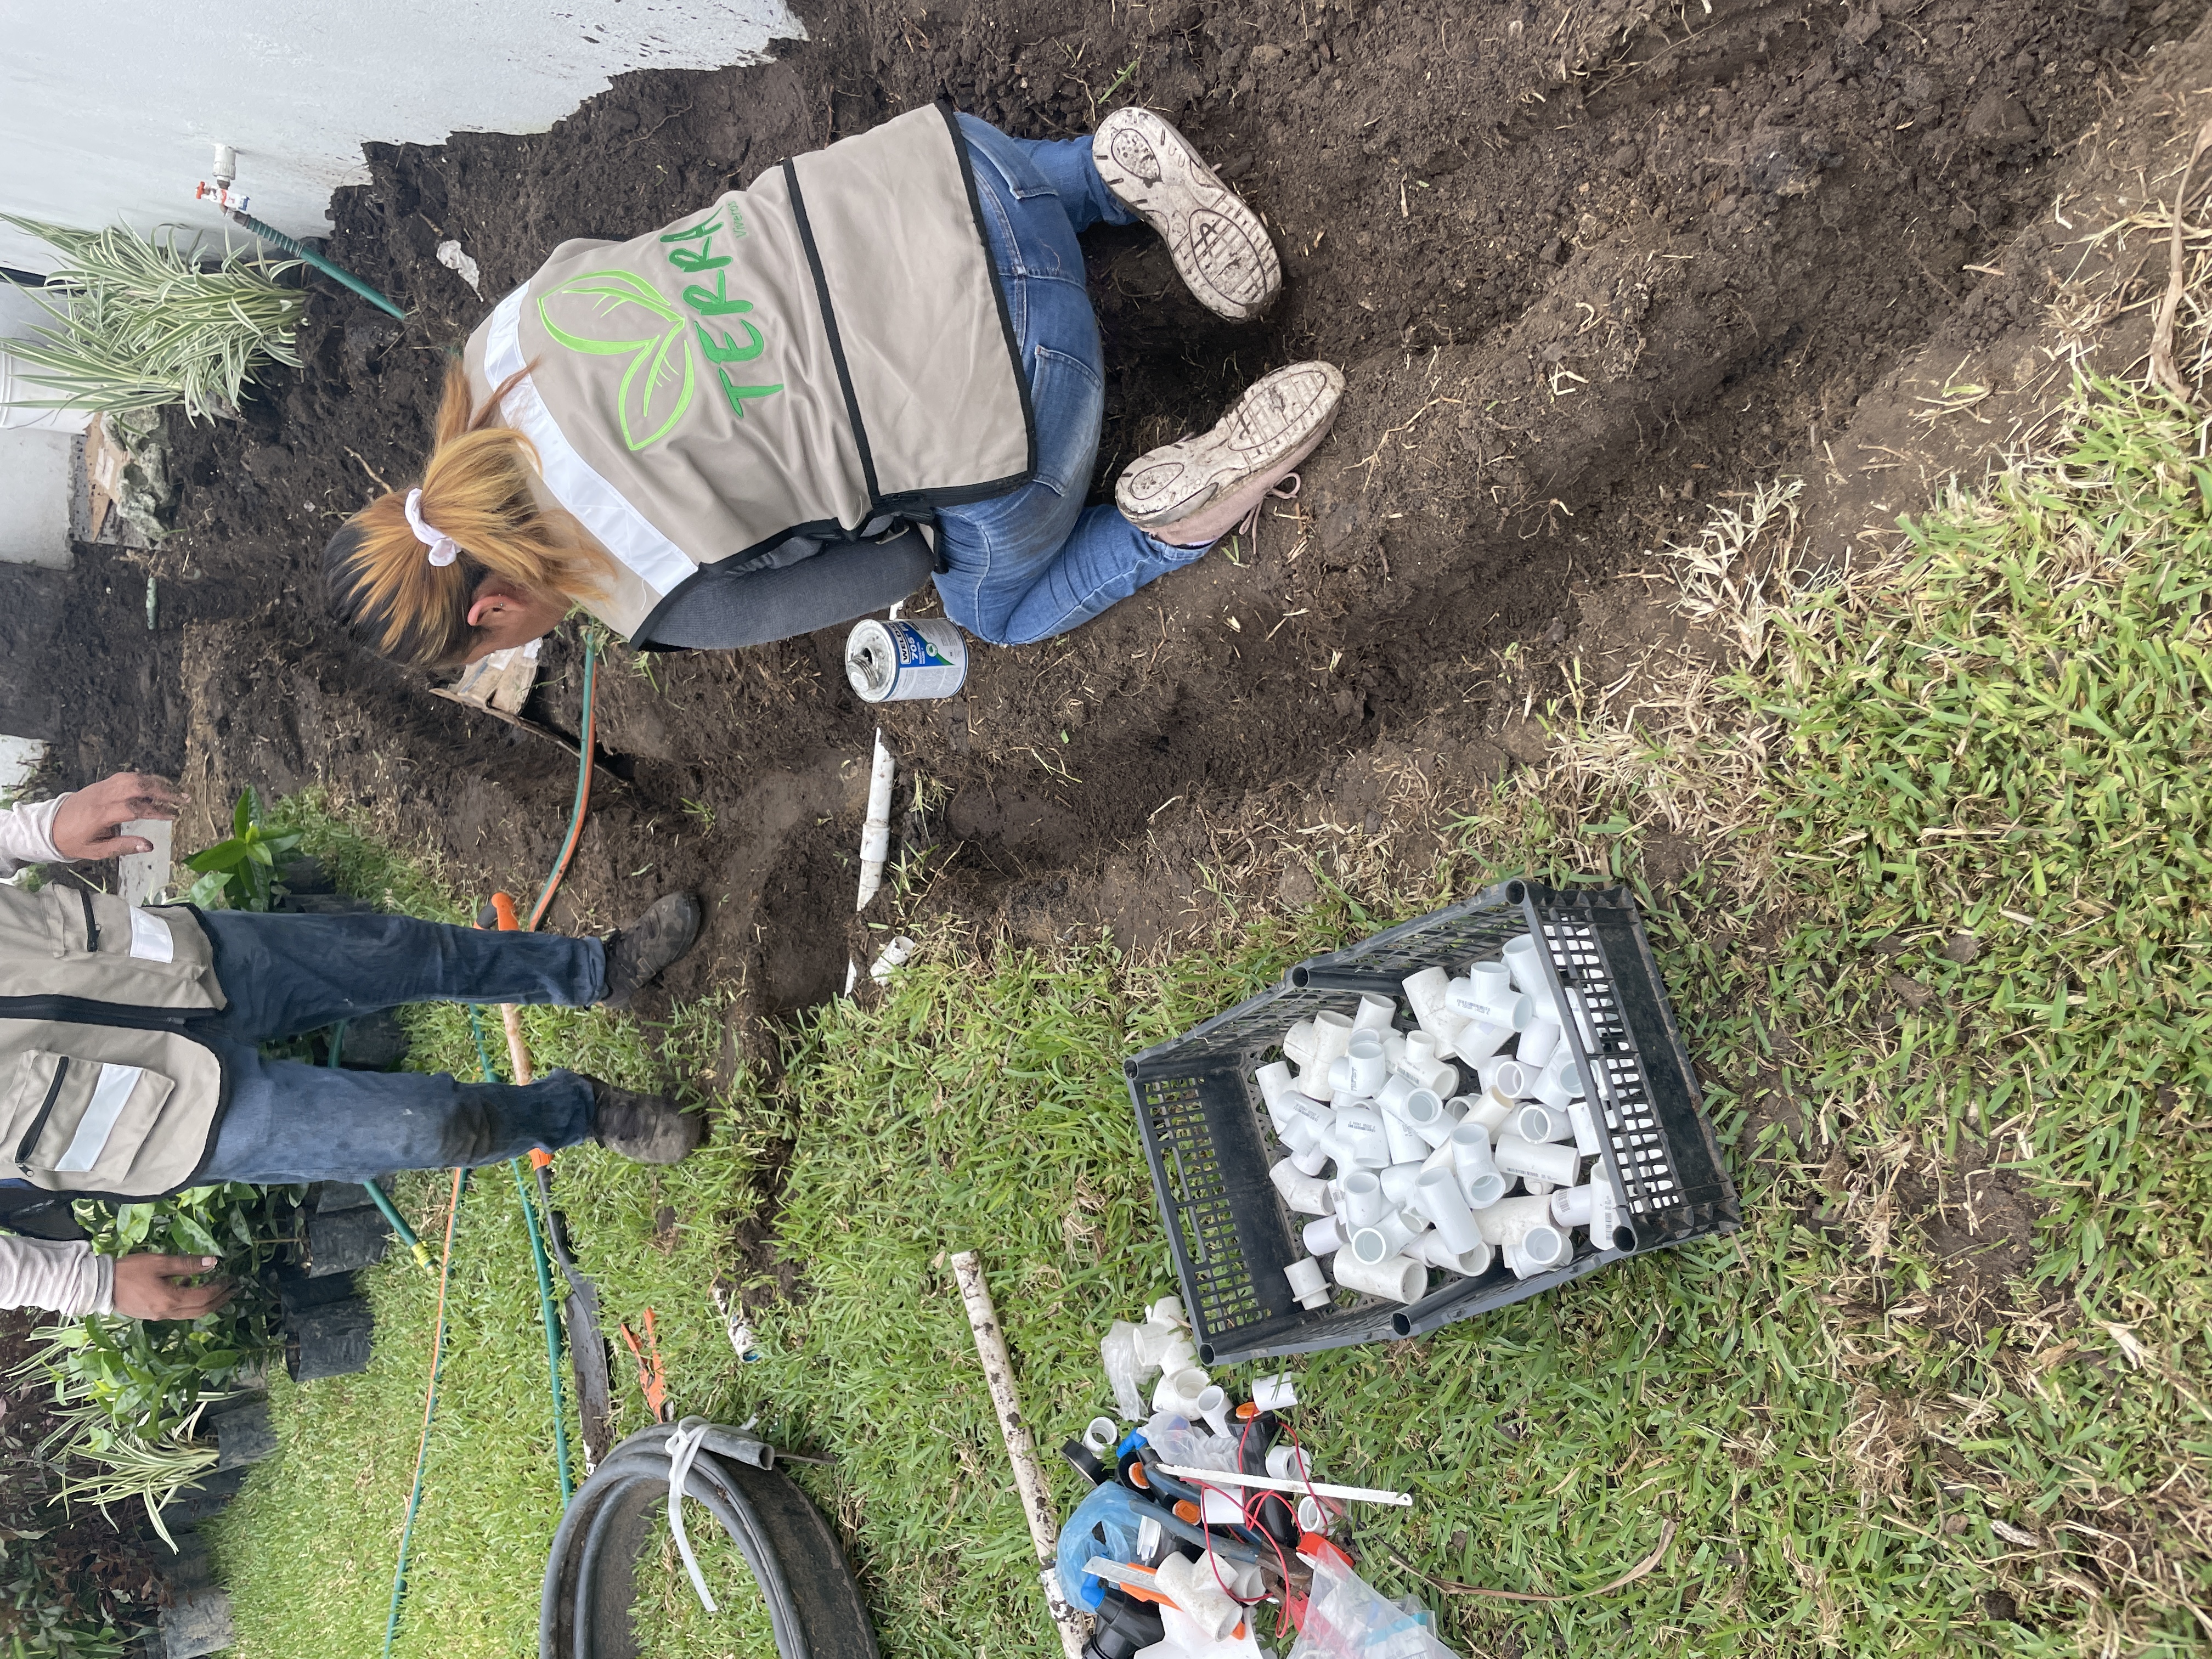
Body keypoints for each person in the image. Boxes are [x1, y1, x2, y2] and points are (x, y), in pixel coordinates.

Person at [323, 104, 1345, 666]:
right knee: (855, 225)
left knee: (994, 609)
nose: (517, 650)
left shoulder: (654, 596)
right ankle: (1101, 172)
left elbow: (896, 561)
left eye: (492, 652)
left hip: (1041, 379)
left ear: (492, 609)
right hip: (961, 165)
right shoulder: (496, 343)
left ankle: (1177, 515)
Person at [0, 771, 704, 1321]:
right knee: (433, 1128)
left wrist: (38, 829)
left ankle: (595, 970)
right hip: (138, 1119)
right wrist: (90, 1284)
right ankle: (582, 1113)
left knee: (401, 955)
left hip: (147, 962)